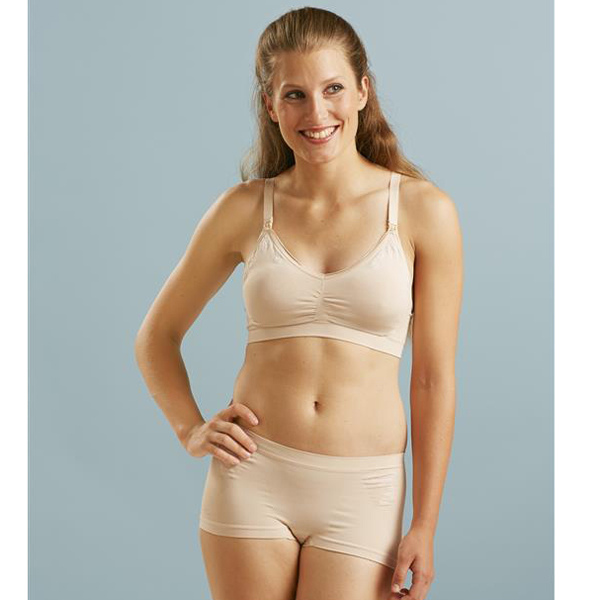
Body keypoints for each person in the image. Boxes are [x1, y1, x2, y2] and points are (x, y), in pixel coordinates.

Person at [135, 7, 463, 600]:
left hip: (364, 489)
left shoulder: (423, 211)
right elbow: (156, 338)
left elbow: (433, 380)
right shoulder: (244, 207)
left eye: (333, 89)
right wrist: (190, 429)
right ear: (270, 105)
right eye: (295, 95)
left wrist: (425, 522)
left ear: (362, 91)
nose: (316, 113)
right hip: (252, 478)